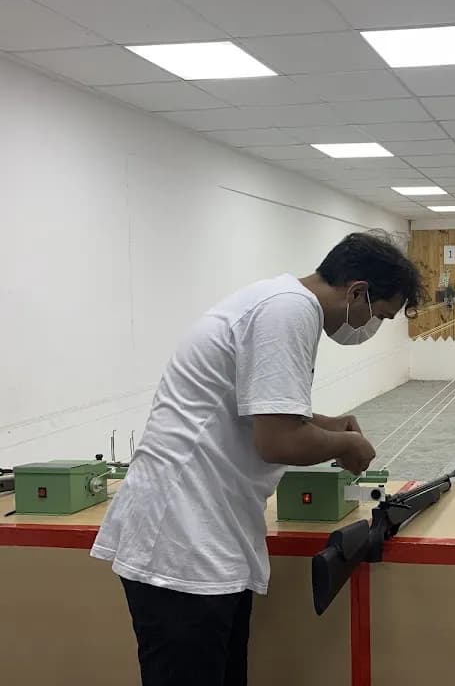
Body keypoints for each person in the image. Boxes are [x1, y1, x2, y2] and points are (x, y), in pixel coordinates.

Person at [91, 230, 423, 686]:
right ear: (358, 291)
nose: (372, 326)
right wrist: (347, 445)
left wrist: (328, 424)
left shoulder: (279, 301)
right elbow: (279, 441)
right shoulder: (288, 311)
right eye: (379, 314)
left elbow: (260, 412)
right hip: (180, 542)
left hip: (205, 532)